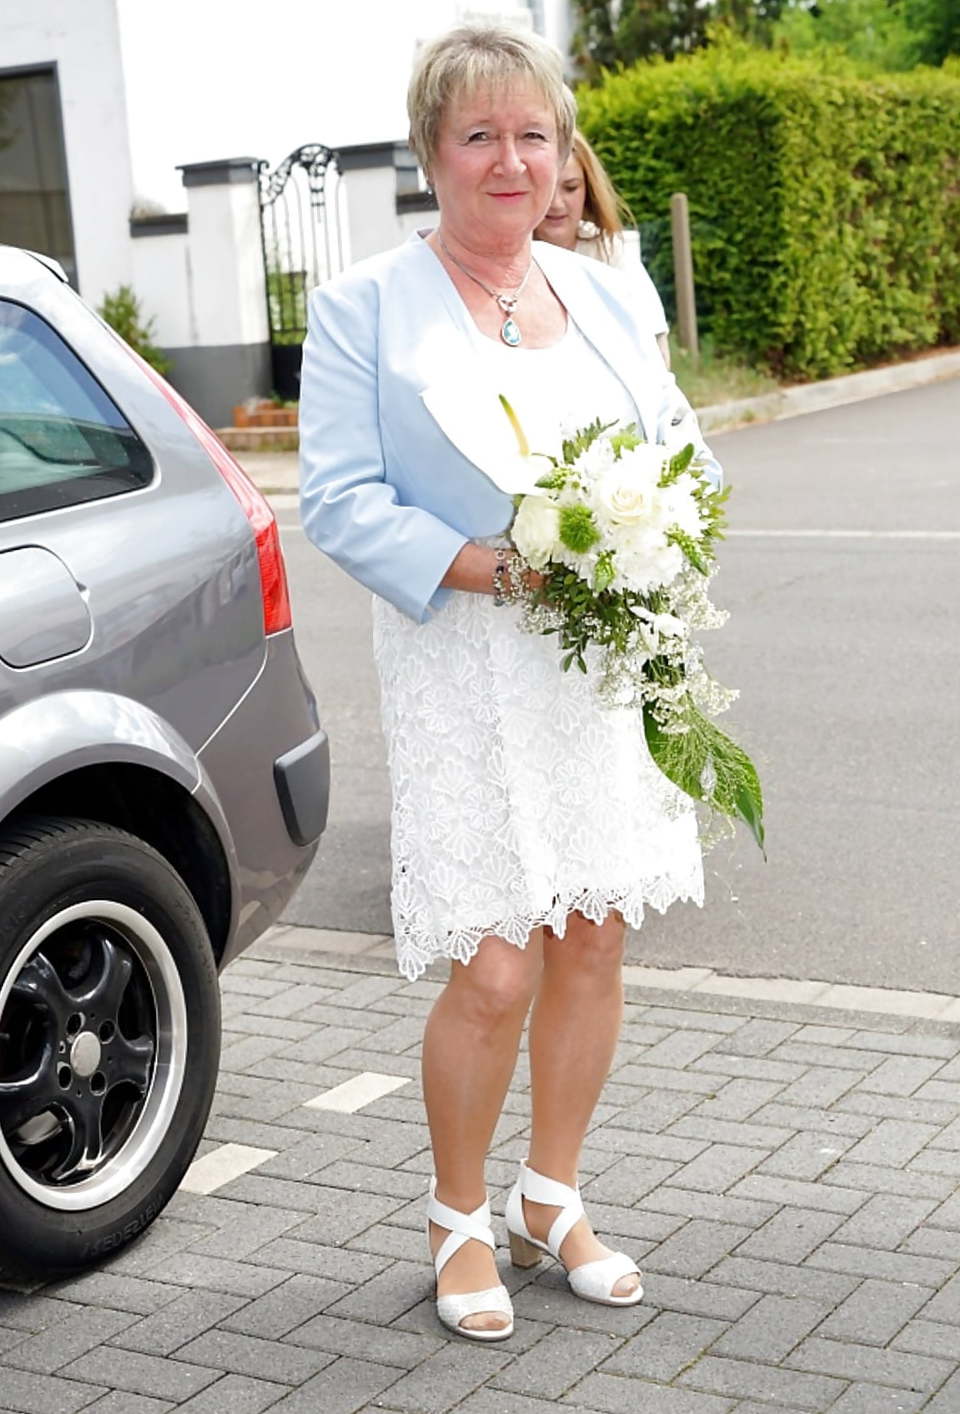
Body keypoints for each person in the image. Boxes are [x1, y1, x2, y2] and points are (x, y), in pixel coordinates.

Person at [299, 24, 722, 1343]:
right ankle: (457, 1218)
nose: (510, 160)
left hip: (599, 663)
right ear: (430, 152)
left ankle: (552, 1198)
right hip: (468, 664)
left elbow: (682, 448)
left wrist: (661, 530)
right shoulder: (364, 307)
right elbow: (339, 500)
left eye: (534, 135)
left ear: (562, 153)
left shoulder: (603, 293)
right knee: (493, 962)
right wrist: (500, 567)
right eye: (479, 134)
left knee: (593, 934)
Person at [535, 128, 672, 367]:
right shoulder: (506, 257)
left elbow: (655, 342)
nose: (556, 203)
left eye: (571, 187)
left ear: (588, 190)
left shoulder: (609, 250)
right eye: (546, 187)